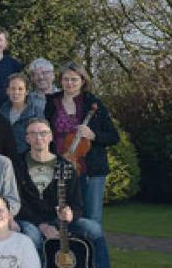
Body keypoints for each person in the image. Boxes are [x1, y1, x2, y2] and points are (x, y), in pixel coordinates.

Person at [13, 118, 123, 268]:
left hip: (60, 219)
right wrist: (42, 225)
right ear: (27, 138)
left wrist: (70, 215)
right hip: (30, 220)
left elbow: (78, 205)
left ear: (51, 136)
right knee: (33, 237)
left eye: (43, 133)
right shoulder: (16, 165)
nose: (39, 138)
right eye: (34, 134)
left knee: (93, 229)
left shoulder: (66, 165)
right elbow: (16, 203)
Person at [44, 62, 120, 224]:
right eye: (65, 79)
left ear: (83, 81)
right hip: (60, 167)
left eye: (74, 79)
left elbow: (114, 136)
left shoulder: (94, 103)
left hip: (90, 168)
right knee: (62, 216)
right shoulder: (51, 102)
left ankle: (93, 250)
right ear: (60, 80)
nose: (69, 83)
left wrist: (93, 135)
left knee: (92, 219)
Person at [0, 73, 45, 155]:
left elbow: (42, 139)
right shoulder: (1, 112)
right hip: (5, 158)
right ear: (7, 91)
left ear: (26, 91)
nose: (16, 92)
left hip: (28, 158)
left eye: (20, 89)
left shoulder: (36, 112)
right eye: (13, 88)